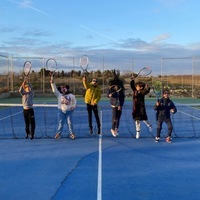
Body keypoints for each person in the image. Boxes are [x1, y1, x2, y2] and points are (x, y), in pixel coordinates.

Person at [50, 75, 76, 139]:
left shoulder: (71, 95)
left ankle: (72, 133)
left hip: (69, 112)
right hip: (61, 111)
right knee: (60, 123)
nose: (64, 90)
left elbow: (74, 101)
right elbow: (54, 90)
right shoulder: (59, 95)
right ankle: (58, 133)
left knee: (70, 123)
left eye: (65, 88)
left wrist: (73, 106)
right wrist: (52, 83)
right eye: (62, 89)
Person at [107, 70, 125, 137]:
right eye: (115, 85)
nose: (116, 86)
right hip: (113, 104)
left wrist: (120, 105)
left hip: (119, 105)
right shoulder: (111, 89)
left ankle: (116, 128)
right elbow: (107, 94)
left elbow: (122, 98)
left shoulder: (121, 91)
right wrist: (109, 95)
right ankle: (112, 129)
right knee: (114, 117)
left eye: (117, 85)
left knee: (118, 117)